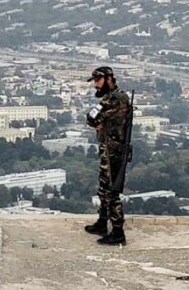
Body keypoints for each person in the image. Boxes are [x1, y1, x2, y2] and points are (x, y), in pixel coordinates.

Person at [83, 66, 131, 245]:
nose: (95, 85)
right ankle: (102, 222)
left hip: (114, 150)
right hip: (108, 148)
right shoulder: (110, 98)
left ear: (109, 79)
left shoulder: (115, 99)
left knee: (111, 191)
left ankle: (118, 232)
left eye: (98, 80)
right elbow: (92, 118)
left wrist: (98, 121)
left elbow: (92, 118)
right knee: (104, 188)